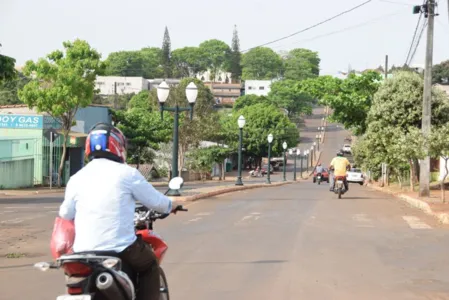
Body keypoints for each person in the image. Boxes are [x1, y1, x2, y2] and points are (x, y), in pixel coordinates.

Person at [58, 123, 176, 300]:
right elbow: (157, 202)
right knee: (150, 264)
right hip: (120, 247)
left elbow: (66, 213)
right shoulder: (127, 174)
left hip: (82, 251)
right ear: (117, 146)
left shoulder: (77, 178)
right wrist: (171, 206)